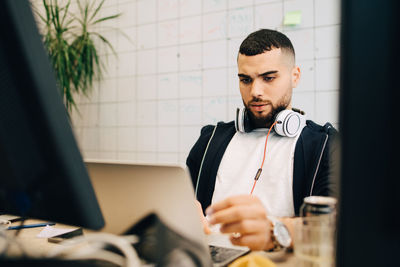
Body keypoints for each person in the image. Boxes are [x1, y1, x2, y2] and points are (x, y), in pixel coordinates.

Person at [186, 29, 338, 251]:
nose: (255, 91)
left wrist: (276, 230)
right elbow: (181, 200)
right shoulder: (210, 139)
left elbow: (339, 225)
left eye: (268, 78)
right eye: (245, 80)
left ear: (295, 76)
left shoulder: (326, 145)